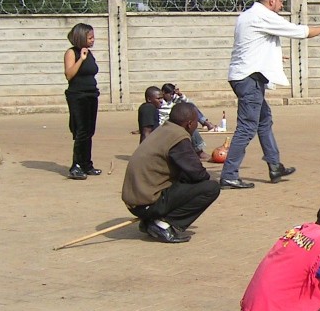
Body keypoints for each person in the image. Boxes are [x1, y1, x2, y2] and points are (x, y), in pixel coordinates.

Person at [220, 0, 320, 189]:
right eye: (281, 2)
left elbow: (254, 45)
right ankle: (229, 175)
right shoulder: (263, 15)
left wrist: (275, 57)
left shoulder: (247, 16)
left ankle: (275, 165)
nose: (282, 6)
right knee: (247, 127)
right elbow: (299, 32)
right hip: (249, 79)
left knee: (264, 120)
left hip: (246, 76)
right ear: (272, 0)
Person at [122, 103, 221, 244]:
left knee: (186, 179)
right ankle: (163, 224)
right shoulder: (178, 137)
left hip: (135, 200)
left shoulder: (163, 129)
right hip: (146, 203)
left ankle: (151, 221)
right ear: (189, 123)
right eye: (195, 123)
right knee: (210, 188)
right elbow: (198, 173)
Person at [63, 23, 100, 180]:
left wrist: (87, 55)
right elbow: (69, 75)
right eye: (90, 37)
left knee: (90, 131)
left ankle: (87, 164)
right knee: (81, 131)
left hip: (91, 94)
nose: (93, 40)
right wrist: (81, 59)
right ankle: (76, 166)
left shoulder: (89, 53)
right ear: (81, 37)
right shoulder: (72, 53)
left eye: (93, 37)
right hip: (78, 96)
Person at [160, 83, 207, 159]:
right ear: (163, 93)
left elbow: (190, 105)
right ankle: (199, 151)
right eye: (170, 94)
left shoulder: (173, 100)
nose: (171, 96)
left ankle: (205, 122)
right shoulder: (160, 103)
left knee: (191, 109)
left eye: (173, 94)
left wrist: (180, 95)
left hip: (174, 122)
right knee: (190, 127)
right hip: (167, 124)